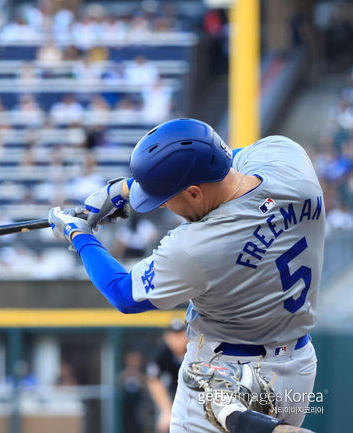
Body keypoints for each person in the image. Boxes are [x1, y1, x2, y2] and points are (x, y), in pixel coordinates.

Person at [48, 118, 323, 433]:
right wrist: (126, 189)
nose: (163, 205)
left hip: (225, 372)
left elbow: (123, 293)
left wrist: (80, 235)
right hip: (297, 367)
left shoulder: (196, 247)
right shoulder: (288, 159)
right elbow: (228, 158)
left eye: (165, 198)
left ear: (194, 192)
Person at [147, 319, 188, 433]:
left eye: (180, 335)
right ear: (166, 337)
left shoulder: (195, 352)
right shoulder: (162, 353)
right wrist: (166, 410)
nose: (176, 340)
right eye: (173, 335)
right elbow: (153, 381)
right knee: (165, 424)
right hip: (173, 395)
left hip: (197, 394)